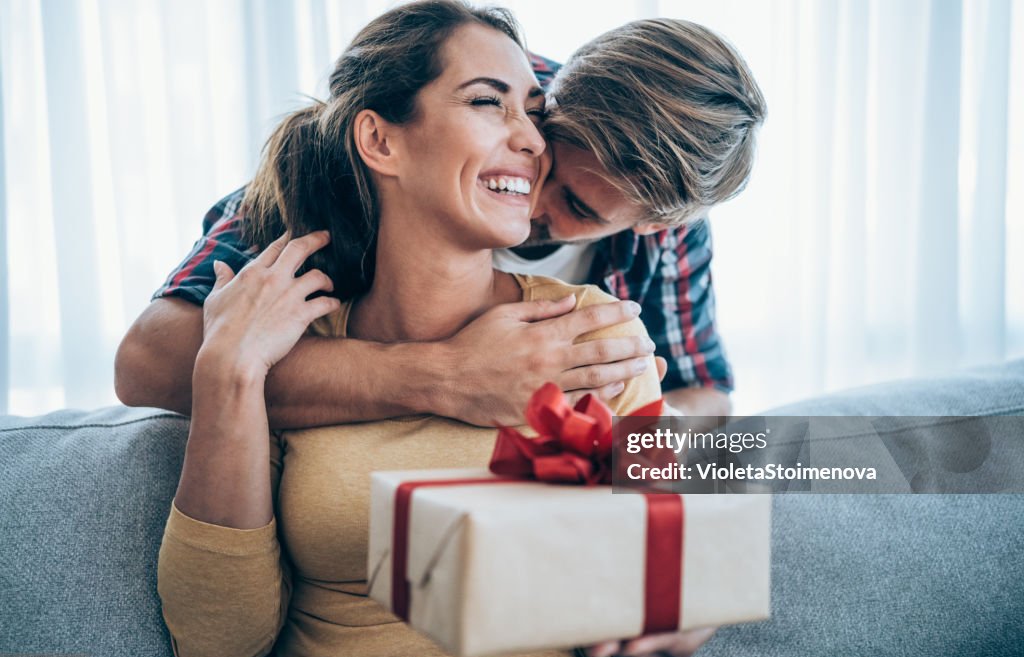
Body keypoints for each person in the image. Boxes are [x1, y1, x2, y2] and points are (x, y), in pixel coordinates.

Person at [156, 3, 713, 657]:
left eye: (535, 115)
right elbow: (218, 647)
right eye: (487, 101)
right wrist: (232, 374)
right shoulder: (280, 334)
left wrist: (680, 602)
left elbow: (667, 583)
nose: (537, 144)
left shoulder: (600, 336)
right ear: (381, 142)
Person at [114, 11, 766, 427]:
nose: (531, 193)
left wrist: (623, 445)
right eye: (541, 134)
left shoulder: (667, 224)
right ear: (557, 91)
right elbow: (150, 360)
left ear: (653, 225)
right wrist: (446, 376)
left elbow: (704, 397)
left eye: (576, 208)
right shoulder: (454, 109)